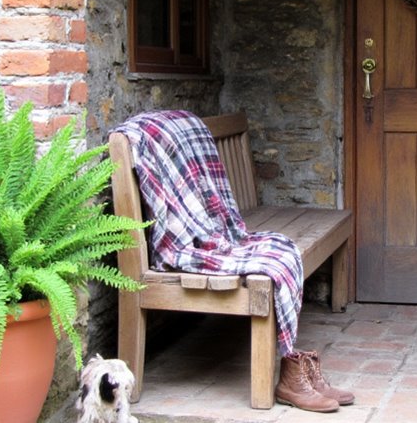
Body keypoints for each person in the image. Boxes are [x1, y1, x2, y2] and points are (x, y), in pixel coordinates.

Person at [113, 110, 354, 413]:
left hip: (220, 231)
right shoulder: (133, 142)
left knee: (280, 257)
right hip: (181, 252)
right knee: (273, 265)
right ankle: (289, 380)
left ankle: (297, 368)